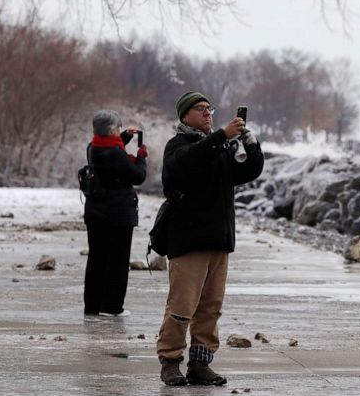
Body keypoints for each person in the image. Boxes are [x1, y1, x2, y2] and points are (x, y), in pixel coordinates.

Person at [156, 91, 264, 386]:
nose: (207, 113)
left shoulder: (219, 147)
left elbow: (247, 172)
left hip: (218, 238)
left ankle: (200, 364)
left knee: (210, 308)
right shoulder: (177, 146)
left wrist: (251, 146)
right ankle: (170, 361)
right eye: (200, 109)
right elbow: (188, 164)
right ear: (184, 116)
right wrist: (220, 136)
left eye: (209, 108)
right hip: (188, 240)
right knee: (181, 307)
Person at [82, 109, 147, 317]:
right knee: (118, 262)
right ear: (111, 131)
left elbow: (111, 147)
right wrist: (142, 157)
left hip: (95, 213)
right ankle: (111, 307)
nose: (120, 132)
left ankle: (92, 306)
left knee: (97, 260)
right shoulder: (116, 154)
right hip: (118, 215)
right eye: (118, 129)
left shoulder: (93, 147)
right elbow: (138, 176)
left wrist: (126, 135)